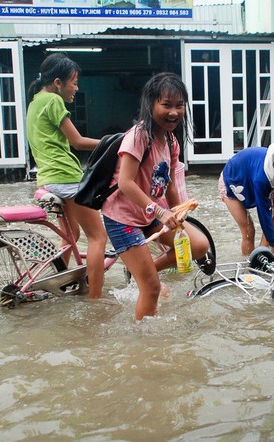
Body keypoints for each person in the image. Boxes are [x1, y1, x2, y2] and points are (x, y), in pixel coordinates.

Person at [101, 72, 210, 320]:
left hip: (150, 214)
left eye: (179, 105)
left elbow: (169, 184)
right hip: (123, 219)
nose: (174, 112)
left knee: (199, 245)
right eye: (167, 105)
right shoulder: (139, 136)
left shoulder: (171, 141)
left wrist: (178, 212)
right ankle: (143, 346)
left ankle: (144, 271)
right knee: (152, 288)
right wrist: (161, 212)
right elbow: (126, 183)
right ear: (151, 105)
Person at [26, 53, 108, 299]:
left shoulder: (35, 102)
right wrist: (115, 142)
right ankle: (95, 299)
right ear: (58, 82)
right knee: (98, 237)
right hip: (66, 178)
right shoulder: (52, 101)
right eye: (73, 82)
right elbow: (78, 141)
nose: (76, 87)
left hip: (48, 178)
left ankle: (55, 284)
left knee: (71, 235)